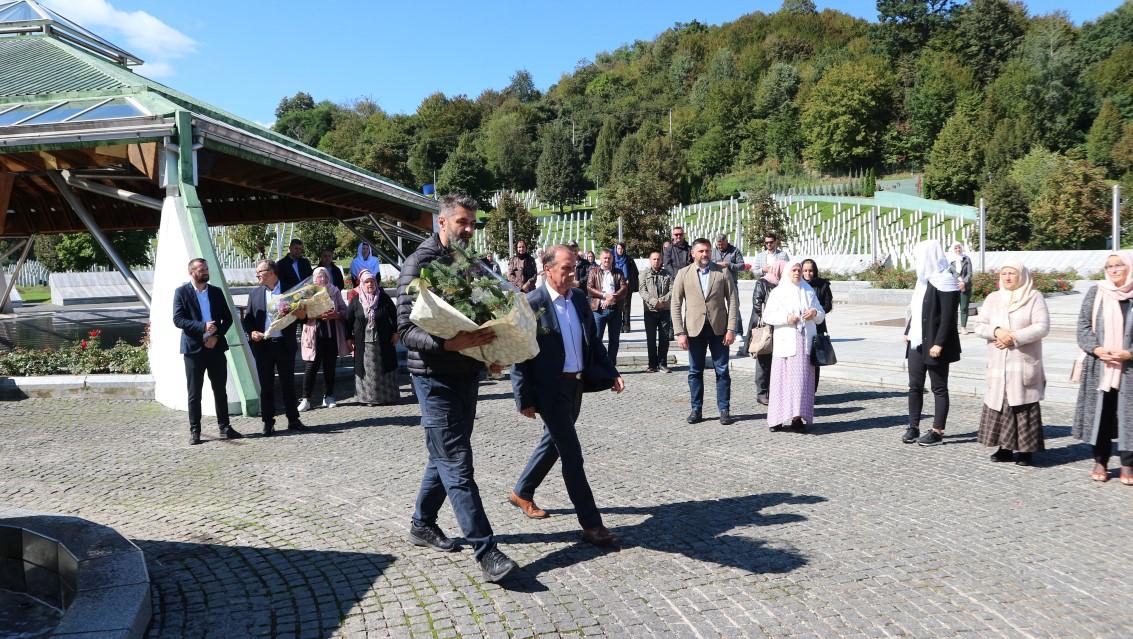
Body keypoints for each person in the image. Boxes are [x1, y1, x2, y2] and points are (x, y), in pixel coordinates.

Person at [396, 193, 518, 583]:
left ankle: (422, 523)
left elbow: (481, 317)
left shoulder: (468, 264)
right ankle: (487, 551)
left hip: (467, 374)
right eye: (462, 222)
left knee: (443, 454)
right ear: (442, 222)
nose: (468, 230)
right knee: (456, 462)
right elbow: (404, 329)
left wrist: (487, 354)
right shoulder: (418, 264)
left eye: (472, 223)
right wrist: (446, 344)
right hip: (433, 378)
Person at [508, 245, 626, 547]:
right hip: (549, 390)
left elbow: (592, 343)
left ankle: (522, 491)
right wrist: (524, 398)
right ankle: (591, 524)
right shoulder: (532, 303)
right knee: (572, 455)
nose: (573, 273)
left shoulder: (578, 300)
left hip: (575, 386)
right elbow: (519, 354)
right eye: (566, 268)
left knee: (554, 443)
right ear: (548, 270)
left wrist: (611, 372)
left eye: (574, 267)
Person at [971, 260, 1049, 466]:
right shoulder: (993, 298)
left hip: (1023, 363)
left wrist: (1013, 337)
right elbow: (979, 325)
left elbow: (1042, 326)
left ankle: (1025, 451)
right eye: (1004, 273)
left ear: (1021, 275)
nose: (1007, 277)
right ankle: (1004, 447)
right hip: (998, 363)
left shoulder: (1034, 297)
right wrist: (996, 331)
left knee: (1023, 405)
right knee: (1000, 403)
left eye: (1012, 273)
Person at [1072, 252, 1133, 485]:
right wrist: (1096, 348)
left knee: (1129, 415)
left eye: (1119, 265)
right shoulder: (1097, 291)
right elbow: (1083, 325)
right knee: (1102, 415)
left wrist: (1129, 353)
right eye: (1110, 266)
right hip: (1101, 366)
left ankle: (1128, 463)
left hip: (1129, 368)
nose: (1114, 270)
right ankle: (1100, 460)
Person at [671, 238, 740, 425]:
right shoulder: (683, 274)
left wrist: (731, 328)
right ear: (693, 253)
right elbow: (676, 304)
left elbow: (733, 300)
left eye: (707, 251)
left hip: (719, 329)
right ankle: (696, 409)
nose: (705, 254)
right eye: (701, 251)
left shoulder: (722, 271)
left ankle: (724, 410)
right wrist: (679, 332)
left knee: (723, 370)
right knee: (694, 371)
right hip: (694, 330)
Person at [173, 258, 241, 445]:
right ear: (192, 272)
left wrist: (215, 336)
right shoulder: (182, 292)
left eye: (206, 268)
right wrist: (203, 327)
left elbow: (227, 318)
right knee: (195, 392)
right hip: (194, 349)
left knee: (220, 389)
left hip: (216, 347)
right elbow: (178, 320)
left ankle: (225, 427)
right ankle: (195, 431)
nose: (205, 272)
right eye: (201, 269)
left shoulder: (216, 292)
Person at [902, 240, 961, 447]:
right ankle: (913, 426)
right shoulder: (923, 280)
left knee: (939, 388)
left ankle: (937, 430)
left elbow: (948, 318)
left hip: (935, 343)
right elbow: (917, 311)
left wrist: (939, 344)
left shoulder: (946, 281)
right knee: (915, 386)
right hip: (917, 341)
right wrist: (908, 330)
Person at [243, 259, 307, 436]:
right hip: (263, 346)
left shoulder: (290, 290)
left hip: (284, 345)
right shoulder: (255, 294)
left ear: (271, 273)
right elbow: (248, 319)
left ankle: (293, 420)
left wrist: (302, 314)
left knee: (288, 384)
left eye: (260, 273)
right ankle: (268, 422)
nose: (257, 276)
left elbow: (303, 315)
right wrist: (252, 332)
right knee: (267, 386)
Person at [762, 260, 825, 432]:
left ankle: (798, 418)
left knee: (802, 383)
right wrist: (786, 318)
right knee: (781, 382)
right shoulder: (778, 292)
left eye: (799, 270)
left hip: (804, 344)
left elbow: (821, 314)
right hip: (786, 343)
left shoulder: (808, 290)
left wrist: (814, 313)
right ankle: (777, 419)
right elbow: (768, 316)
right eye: (794, 270)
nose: (797, 273)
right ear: (788, 272)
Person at [298, 266, 349, 412]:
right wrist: (316, 315)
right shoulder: (308, 292)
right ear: (314, 279)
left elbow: (344, 310)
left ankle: (329, 396)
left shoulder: (334, 291)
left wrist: (336, 315)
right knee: (311, 368)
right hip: (314, 335)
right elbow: (301, 315)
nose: (322, 279)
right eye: (319, 277)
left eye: (325, 276)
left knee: (330, 367)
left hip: (331, 334)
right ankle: (306, 398)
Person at [346, 269, 400, 406]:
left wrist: (396, 332)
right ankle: (367, 398)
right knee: (367, 371)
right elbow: (348, 320)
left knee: (384, 368)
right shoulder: (356, 300)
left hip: (384, 340)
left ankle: (387, 397)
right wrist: (348, 338)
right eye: (367, 282)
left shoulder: (383, 298)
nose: (370, 284)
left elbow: (395, 316)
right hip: (363, 342)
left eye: (372, 281)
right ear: (362, 284)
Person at [747, 260, 785, 405]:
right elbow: (757, 304)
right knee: (763, 359)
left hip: (780, 328)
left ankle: (774, 391)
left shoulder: (784, 285)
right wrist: (773, 315)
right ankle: (761, 392)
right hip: (766, 327)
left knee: (776, 361)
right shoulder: (763, 283)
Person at [587, 248, 629, 362]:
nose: (607, 260)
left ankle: (611, 365)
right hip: (599, 310)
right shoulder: (593, 271)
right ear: (600, 259)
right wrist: (604, 296)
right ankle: (596, 364)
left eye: (609, 258)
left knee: (614, 340)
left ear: (612, 259)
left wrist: (613, 297)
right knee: (596, 339)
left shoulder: (618, 272)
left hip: (615, 310)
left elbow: (624, 288)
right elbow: (589, 288)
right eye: (605, 258)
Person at [800, 259, 833, 392]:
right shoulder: (798, 284)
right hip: (801, 326)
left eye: (811, 270)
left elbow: (827, 305)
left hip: (817, 324)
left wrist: (816, 312)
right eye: (805, 270)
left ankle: (812, 391)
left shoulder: (823, 284)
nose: (808, 273)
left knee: (815, 360)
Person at [640, 251, 673, 373]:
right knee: (651, 339)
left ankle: (662, 363)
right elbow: (642, 291)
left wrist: (662, 301)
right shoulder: (644, 274)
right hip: (650, 311)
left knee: (664, 338)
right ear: (650, 260)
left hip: (664, 309)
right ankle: (652, 364)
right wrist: (654, 302)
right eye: (654, 259)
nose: (656, 261)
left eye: (658, 259)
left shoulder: (668, 274)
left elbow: (672, 290)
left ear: (661, 260)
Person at [712, 233, 746, 338]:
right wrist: (716, 264)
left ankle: (738, 331)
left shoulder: (735, 251)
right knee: (716, 306)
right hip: (716, 282)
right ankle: (718, 329)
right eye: (718, 245)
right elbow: (708, 262)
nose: (720, 247)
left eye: (722, 244)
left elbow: (742, 266)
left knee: (734, 305)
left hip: (731, 282)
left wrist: (729, 265)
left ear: (726, 242)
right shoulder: (713, 251)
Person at [613, 242, 639, 333]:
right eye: (618, 248)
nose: (620, 250)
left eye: (621, 249)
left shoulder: (629, 259)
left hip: (627, 286)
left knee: (627, 306)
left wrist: (630, 280)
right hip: (616, 286)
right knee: (617, 306)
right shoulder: (613, 260)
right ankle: (619, 325)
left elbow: (635, 272)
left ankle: (626, 326)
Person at [949, 243, 973, 334]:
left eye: (959, 247)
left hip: (965, 287)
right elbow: (949, 273)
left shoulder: (966, 259)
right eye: (956, 248)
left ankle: (963, 327)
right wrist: (958, 281)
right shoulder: (950, 261)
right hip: (954, 287)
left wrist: (963, 282)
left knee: (964, 307)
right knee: (953, 308)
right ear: (953, 249)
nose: (958, 249)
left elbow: (970, 273)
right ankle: (954, 327)